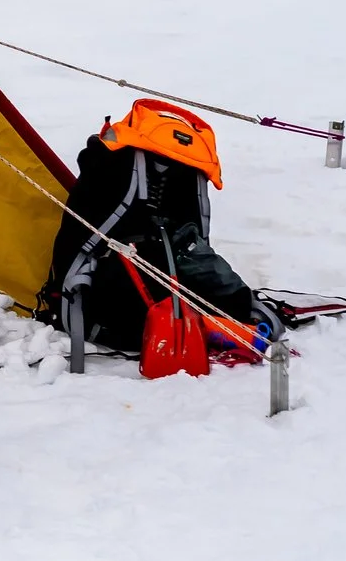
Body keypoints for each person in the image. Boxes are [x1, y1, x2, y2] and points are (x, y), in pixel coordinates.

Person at [38, 99, 266, 366]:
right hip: (121, 300)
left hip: (132, 299)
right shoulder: (122, 165)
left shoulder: (114, 161)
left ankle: (227, 320)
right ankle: (225, 321)